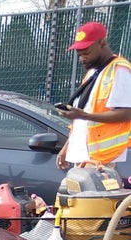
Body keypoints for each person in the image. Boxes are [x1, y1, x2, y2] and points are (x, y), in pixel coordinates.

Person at [55, 22, 131, 170]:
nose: (83, 58)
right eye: (80, 55)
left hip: (100, 161)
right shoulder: (92, 73)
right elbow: (81, 121)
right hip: (84, 157)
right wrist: (66, 148)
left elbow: (127, 114)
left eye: (87, 53)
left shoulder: (120, 70)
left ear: (102, 42)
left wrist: (84, 116)